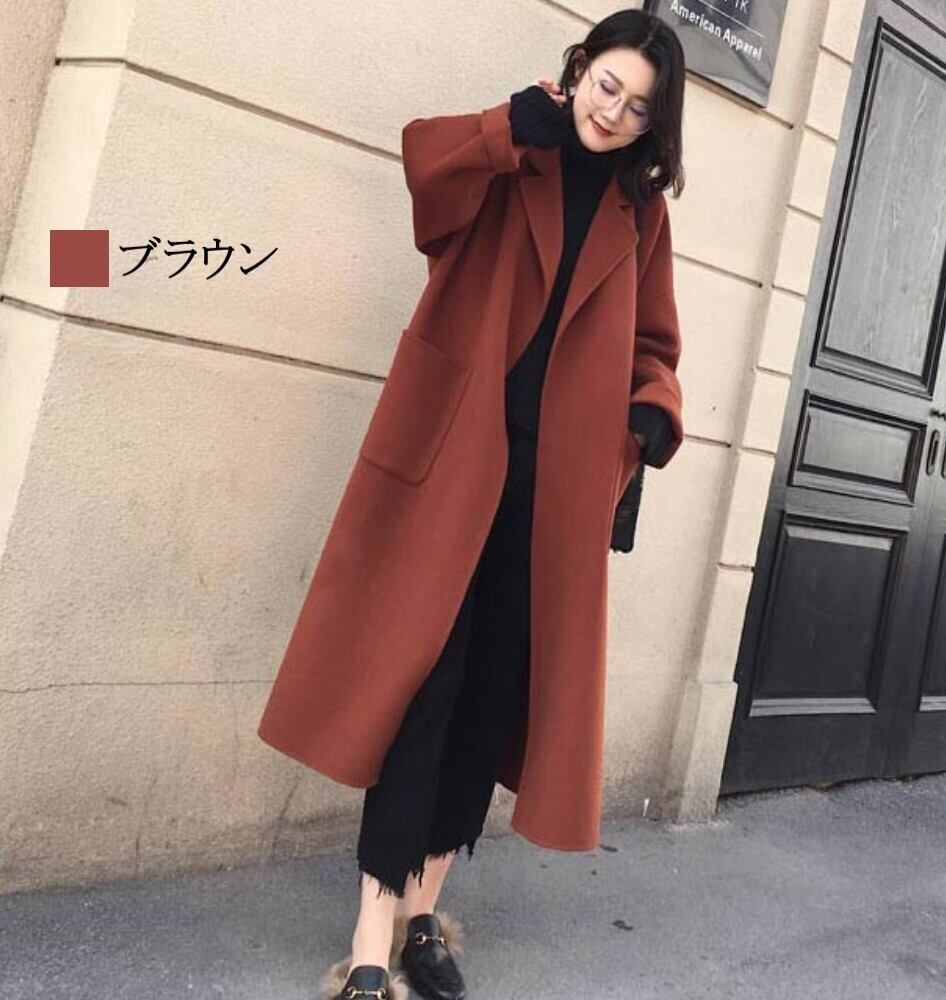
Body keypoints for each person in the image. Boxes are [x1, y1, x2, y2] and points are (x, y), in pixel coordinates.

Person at [298, 10, 687, 1000]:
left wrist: (647, 416)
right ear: (580, 69)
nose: (615, 111)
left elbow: (654, 346)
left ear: (655, 124)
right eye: (608, 84)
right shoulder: (514, 151)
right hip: (452, 467)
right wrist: (505, 128)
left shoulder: (641, 215)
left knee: (487, 700)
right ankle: (371, 938)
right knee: (421, 691)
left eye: (639, 106)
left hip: (553, 496)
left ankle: (423, 912)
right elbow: (425, 178)